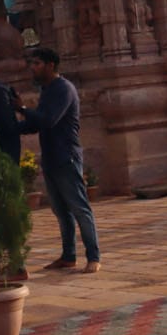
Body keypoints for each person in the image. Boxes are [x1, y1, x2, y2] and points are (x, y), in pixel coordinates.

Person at [16, 47, 100, 273]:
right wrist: (11, 128)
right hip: (52, 157)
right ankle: (68, 255)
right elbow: (36, 123)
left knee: (79, 207)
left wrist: (22, 109)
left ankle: (93, 256)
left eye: (37, 64)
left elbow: (48, 120)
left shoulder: (64, 89)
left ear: (50, 65)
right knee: (61, 212)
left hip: (66, 157)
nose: (33, 68)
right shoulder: (48, 90)